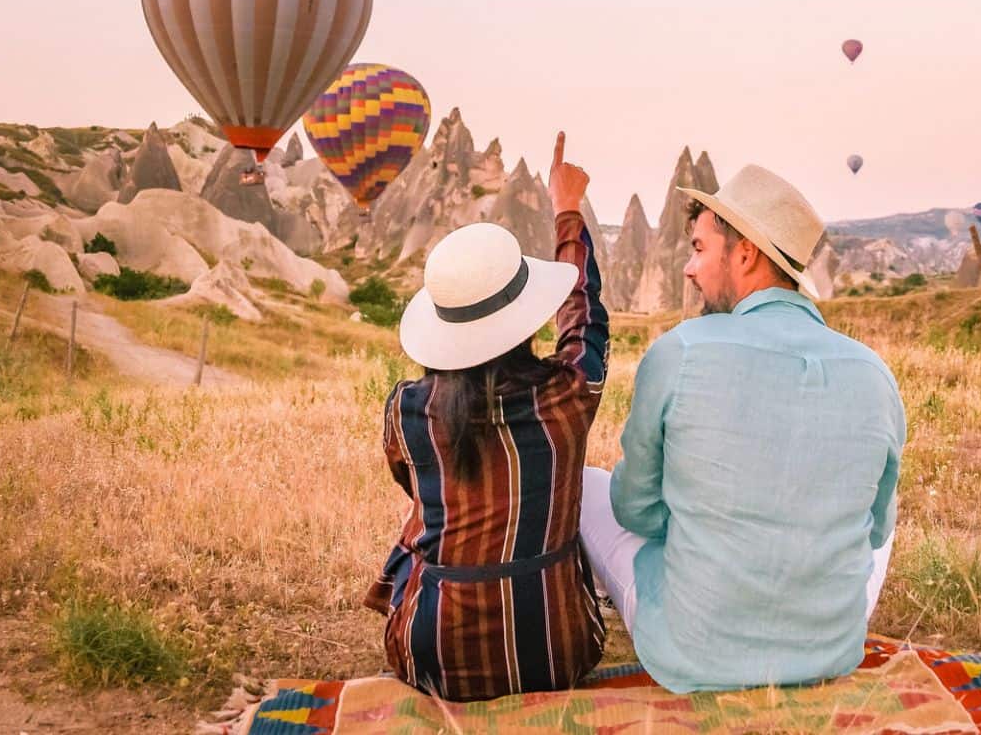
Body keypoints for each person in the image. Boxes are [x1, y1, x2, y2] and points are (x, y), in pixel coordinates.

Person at [577, 164, 907, 693]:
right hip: (831, 649)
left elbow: (633, 509)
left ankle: (585, 614)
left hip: (693, 651)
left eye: (700, 248)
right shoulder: (874, 372)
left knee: (585, 486)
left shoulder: (680, 352)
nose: (689, 268)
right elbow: (874, 531)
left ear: (746, 253)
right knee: (879, 513)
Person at [364, 133, 608, 700]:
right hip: (558, 654)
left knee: (429, 514)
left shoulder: (408, 410)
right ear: (524, 318)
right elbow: (585, 316)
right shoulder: (568, 396)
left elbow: (413, 485)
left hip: (434, 661)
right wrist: (567, 210)